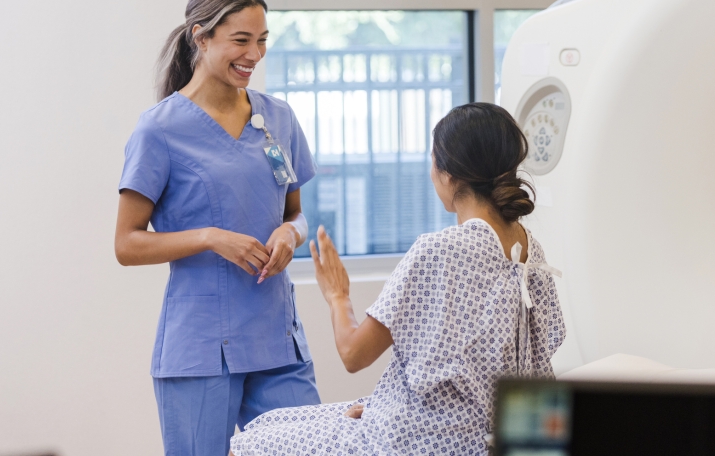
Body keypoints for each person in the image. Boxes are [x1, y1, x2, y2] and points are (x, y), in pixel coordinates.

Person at [230, 102, 566, 455]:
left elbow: (353, 355)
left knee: (249, 443)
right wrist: (385, 405)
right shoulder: (530, 253)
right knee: (274, 422)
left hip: (418, 440)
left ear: (447, 173)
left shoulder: (439, 251)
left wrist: (338, 296)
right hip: (483, 437)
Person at [115, 0, 320, 456]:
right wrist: (209, 237)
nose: (255, 53)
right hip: (201, 347)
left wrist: (292, 234)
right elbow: (126, 244)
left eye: (263, 40)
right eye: (241, 40)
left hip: (277, 339)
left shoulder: (278, 119)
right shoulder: (159, 131)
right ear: (200, 37)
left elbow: (298, 215)